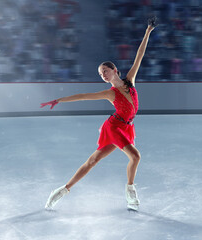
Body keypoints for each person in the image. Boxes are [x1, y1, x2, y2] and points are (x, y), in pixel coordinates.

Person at [40, 17, 157, 211]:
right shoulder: (109, 93)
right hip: (114, 127)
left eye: (105, 71)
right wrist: (59, 100)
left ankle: (61, 190)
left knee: (93, 160)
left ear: (114, 70)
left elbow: (140, 56)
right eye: (100, 74)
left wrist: (147, 32)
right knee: (135, 156)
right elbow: (83, 96)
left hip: (126, 127)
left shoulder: (130, 81)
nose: (102, 75)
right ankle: (130, 192)